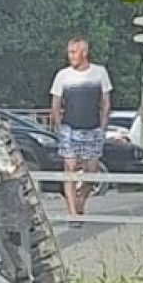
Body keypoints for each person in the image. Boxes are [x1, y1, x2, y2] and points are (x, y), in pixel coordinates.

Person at [49, 37, 113, 219]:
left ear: (84, 53)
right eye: (69, 52)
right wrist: (59, 125)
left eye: (73, 52)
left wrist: (103, 126)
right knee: (69, 168)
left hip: (92, 128)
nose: (70, 56)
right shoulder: (63, 75)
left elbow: (106, 101)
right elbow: (55, 102)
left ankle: (81, 200)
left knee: (91, 171)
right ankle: (72, 213)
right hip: (70, 127)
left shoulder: (99, 73)